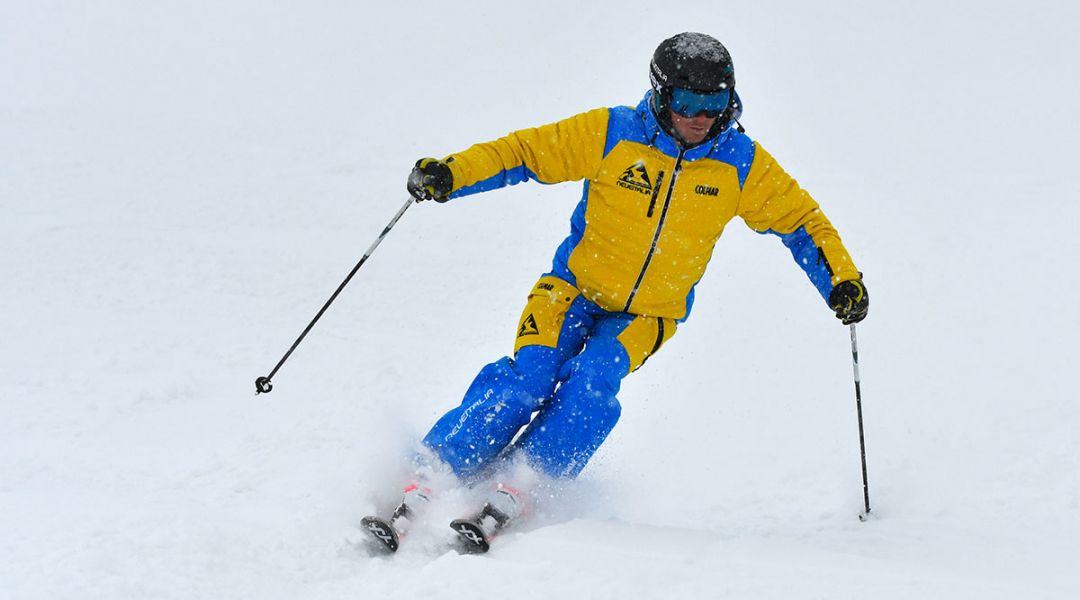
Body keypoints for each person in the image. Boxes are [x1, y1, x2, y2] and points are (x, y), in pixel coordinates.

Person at [368, 32, 869, 551]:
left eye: (714, 105)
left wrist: (841, 280)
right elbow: (524, 153)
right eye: (687, 103)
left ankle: (524, 484)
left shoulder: (740, 163)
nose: (700, 117)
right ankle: (434, 470)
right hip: (571, 291)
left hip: (647, 316)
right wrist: (453, 173)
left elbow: (801, 221)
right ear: (660, 93)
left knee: (593, 384)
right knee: (528, 379)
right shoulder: (613, 134)